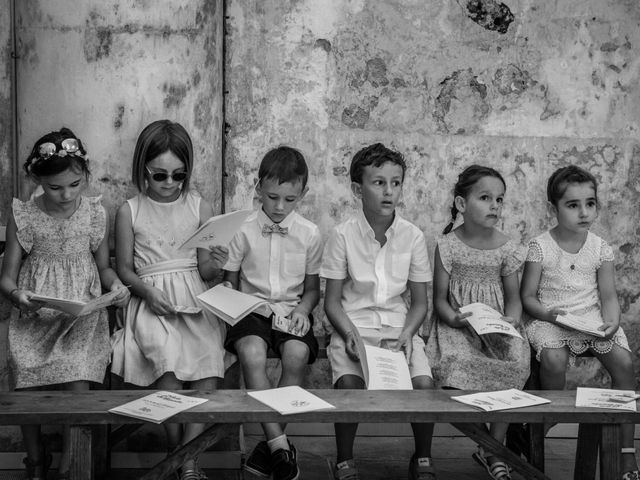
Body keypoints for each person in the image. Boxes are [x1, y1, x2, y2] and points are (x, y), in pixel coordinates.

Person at [0, 128, 130, 480]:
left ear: (85, 175)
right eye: (55, 187)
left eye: (75, 184)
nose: (66, 195)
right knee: (25, 376)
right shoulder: (24, 215)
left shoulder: (93, 213)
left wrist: (117, 286)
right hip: (36, 313)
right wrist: (17, 296)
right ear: (37, 179)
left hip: (81, 315)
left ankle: (73, 465)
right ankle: (35, 459)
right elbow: (6, 277)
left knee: (77, 377)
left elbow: (103, 267)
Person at [110, 120, 229, 480]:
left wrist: (218, 264)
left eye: (178, 176)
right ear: (143, 169)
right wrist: (146, 292)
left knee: (209, 366)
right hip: (151, 300)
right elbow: (126, 269)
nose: (169, 184)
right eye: (159, 175)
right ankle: (179, 454)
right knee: (168, 370)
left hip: (194, 299)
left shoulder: (199, 207)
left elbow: (206, 269)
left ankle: (186, 458)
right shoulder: (130, 210)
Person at [322, 143, 436, 480]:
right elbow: (331, 303)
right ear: (358, 189)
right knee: (349, 387)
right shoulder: (341, 236)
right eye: (379, 182)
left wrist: (406, 336)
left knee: (425, 387)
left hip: (399, 329)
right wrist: (350, 335)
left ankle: (423, 458)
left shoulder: (412, 236)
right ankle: (344, 458)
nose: (389, 191)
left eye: (396, 182)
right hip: (353, 325)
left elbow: (419, 303)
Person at [520, 165, 639, 480]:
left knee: (624, 362)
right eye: (573, 205)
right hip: (551, 318)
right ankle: (547, 422)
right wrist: (548, 314)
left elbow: (609, 295)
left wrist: (611, 322)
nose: (584, 212)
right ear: (554, 208)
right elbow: (528, 297)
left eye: (590, 203)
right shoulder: (540, 246)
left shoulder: (600, 248)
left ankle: (627, 453)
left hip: (590, 319)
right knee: (554, 359)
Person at [222, 146, 322, 480]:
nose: (279, 207)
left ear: (302, 194)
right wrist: (230, 303)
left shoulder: (310, 233)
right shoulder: (243, 227)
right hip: (250, 310)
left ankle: (270, 446)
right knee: (251, 352)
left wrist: (304, 311)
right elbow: (231, 282)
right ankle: (280, 444)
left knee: (296, 352)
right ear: (257, 187)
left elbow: (311, 289)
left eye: (290, 199)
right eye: (272, 196)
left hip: (292, 310)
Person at [426, 165, 530, 480]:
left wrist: (510, 319)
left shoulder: (507, 246)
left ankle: (494, 449)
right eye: (485, 198)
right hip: (458, 327)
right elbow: (440, 299)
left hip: (497, 326)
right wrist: (453, 318)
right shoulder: (448, 246)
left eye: (499, 199)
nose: (494, 206)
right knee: (455, 365)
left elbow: (513, 297)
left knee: (514, 362)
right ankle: (483, 439)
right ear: (461, 204)